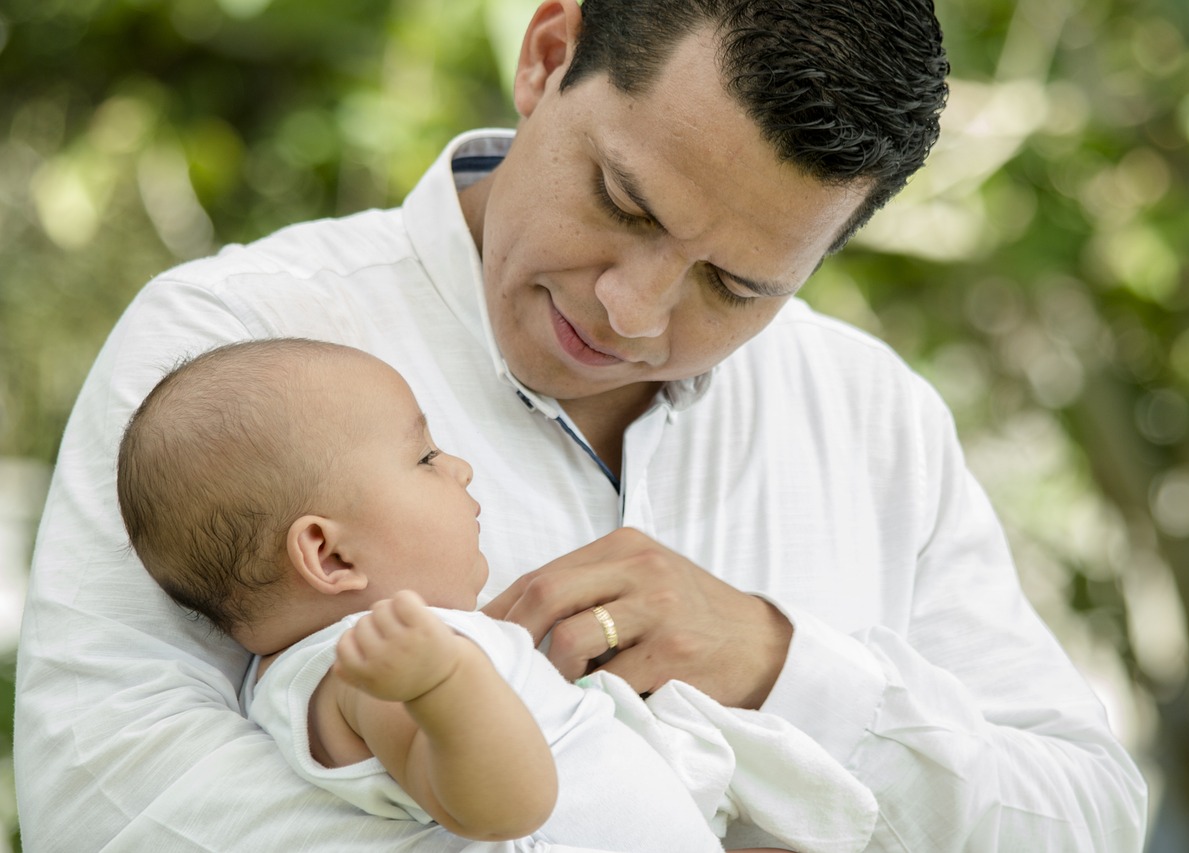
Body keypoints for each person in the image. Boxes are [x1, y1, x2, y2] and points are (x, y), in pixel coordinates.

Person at [15, 1, 1148, 850]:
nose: (633, 310)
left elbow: (1085, 814)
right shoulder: (231, 341)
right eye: (624, 203)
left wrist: (775, 663)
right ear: (546, 54)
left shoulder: (873, 415)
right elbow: (105, 798)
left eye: (736, 286)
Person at [115, 336, 873, 852]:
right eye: (424, 455)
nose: (462, 469)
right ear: (329, 552)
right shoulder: (364, 676)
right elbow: (501, 808)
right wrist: (444, 681)